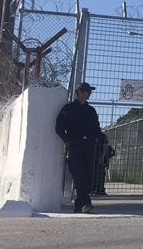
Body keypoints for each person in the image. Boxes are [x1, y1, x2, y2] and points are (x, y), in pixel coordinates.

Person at [55, 82, 102, 213]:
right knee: (78, 174)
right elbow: (59, 128)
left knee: (87, 174)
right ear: (80, 92)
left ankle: (79, 205)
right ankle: (86, 202)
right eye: (87, 91)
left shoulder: (91, 111)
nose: (89, 93)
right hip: (75, 145)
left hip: (89, 146)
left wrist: (96, 139)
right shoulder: (68, 109)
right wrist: (67, 141)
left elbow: (97, 128)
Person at [91, 132, 112, 196]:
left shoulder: (101, 135)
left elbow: (105, 146)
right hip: (92, 157)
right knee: (94, 174)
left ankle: (99, 190)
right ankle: (94, 189)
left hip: (98, 157)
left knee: (100, 174)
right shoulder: (90, 134)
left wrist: (102, 157)